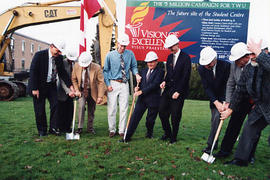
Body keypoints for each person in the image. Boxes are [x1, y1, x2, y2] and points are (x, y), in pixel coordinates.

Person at [221, 39, 270, 166]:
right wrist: (230, 110)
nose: (251, 57)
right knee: (249, 128)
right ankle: (241, 159)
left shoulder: (266, 62)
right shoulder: (249, 68)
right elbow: (240, 90)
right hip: (261, 106)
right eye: (250, 54)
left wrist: (259, 54)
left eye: (254, 54)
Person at [214, 42, 258, 163]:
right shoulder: (234, 65)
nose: (237, 63)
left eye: (239, 60)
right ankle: (225, 150)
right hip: (240, 99)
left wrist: (257, 102)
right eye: (236, 60)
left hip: (255, 101)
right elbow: (231, 83)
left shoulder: (255, 65)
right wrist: (228, 102)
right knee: (233, 125)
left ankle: (250, 155)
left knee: (253, 129)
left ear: (246, 57)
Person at [28, 40, 73, 137]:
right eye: (58, 50)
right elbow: (33, 72)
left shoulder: (59, 58)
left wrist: (70, 85)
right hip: (39, 87)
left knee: (56, 105)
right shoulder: (39, 55)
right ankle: (42, 130)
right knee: (40, 109)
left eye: (61, 51)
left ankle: (53, 128)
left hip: (51, 85)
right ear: (51, 46)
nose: (59, 53)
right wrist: (35, 88)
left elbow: (62, 73)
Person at [119, 51, 164, 142]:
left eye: (152, 62)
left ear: (156, 61)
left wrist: (141, 91)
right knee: (134, 117)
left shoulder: (160, 72)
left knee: (150, 120)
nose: (150, 64)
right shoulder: (143, 71)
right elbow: (140, 82)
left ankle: (149, 133)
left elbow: (155, 85)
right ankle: (127, 137)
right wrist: (137, 87)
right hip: (142, 100)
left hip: (153, 100)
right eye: (148, 62)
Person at [103, 33, 141, 138]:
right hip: (113, 83)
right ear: (118, 43)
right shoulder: (110, 55)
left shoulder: (130, 54)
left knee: (124, 107)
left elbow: (134, 66)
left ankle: (121, 130)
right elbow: (105, 71)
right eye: (122, 45)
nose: (123, 48)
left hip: (125, 83)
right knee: (112, 108)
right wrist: (107, 84)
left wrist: (136, 74)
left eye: (125, 46)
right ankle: (112, 129)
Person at [159, 34, 191, 144]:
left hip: (179, 91)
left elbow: (185, 76)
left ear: (177, 44)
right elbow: (168, 74)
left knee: (175, 115)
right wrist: (164, 81)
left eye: (171, 47)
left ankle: (173, 137)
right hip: (168, 90)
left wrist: (178, 91)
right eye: (168, 47)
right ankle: (167, 133)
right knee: (162, 112)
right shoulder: (169, 58)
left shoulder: (186, 58)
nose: (169, 49)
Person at [198, 46, 231, 153]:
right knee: (215, 120)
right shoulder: (201, 68)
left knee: (219, 119)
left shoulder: (226, 66)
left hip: (227, 97)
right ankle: (213, 145)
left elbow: (229, 85)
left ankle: (211, 146)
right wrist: (216, 102)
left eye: (209, 63)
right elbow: (206, 87)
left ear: (214, 59)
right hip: (214, 99)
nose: (207, 66)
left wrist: (226, 101)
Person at [72, 51, 106, 134]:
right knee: (81, 106)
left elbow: (101, 82)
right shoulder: (76, 66)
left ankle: (90, 128)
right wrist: (76, 90)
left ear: (90, 62)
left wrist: (100, 96)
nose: (83, 67)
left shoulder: (97, 67)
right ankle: (79, 128)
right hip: (82, 90)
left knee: (91, 109)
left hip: (93, 91)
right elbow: (74, 79)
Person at [57, 49, 77, 133]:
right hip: (63, 90)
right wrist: (68, 91)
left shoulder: (75, 64)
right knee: (62, 110)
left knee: (70, 110)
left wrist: (75, 90)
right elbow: (62, 79)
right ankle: (61, 128)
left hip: (72, 91)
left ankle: (68, 127)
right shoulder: (63, 63)